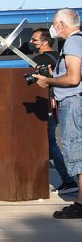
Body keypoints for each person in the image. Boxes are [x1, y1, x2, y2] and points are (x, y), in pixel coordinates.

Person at [33, 9, 82, 218]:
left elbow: (73, 79)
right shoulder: (76, 41)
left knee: (76, 150)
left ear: (61, 24)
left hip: (72, 102)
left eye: (54, 23)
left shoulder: (72, 42)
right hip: (73, 102)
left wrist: (48, 81)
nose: (53, 28)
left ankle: (80, 203)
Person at [30, 29, 76, 194]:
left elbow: (34, 83)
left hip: (46, 105)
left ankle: (68, 179)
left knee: (50, 144)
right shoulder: (59, 56)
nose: (31, 42)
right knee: (54, 142)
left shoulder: (39, 59)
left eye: (34, 40)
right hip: (57, 103)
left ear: (44, 42)